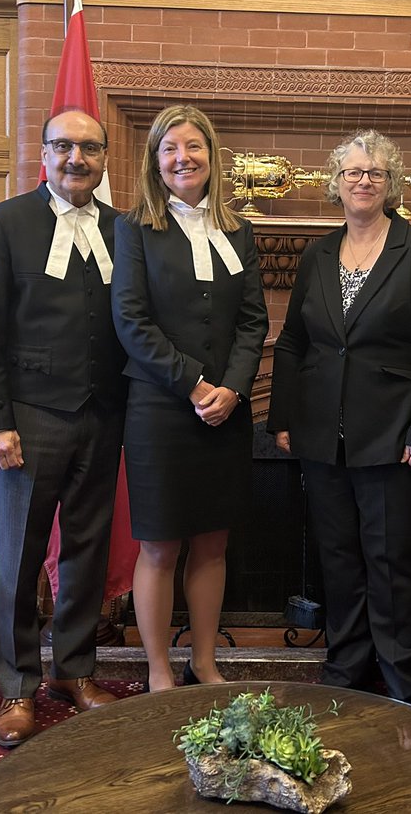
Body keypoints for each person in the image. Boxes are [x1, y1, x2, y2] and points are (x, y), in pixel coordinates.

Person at [267, 129, 411, 706]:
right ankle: (348, 669)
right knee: (339, 559)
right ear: (337, 182)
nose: (363, 181)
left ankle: (405, 680)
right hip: (324, 438)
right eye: (353, 172)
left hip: (397, 437)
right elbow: (293, 341)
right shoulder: (318, 253)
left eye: (375, 173)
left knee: (392, 563)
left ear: (390, 184)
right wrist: (284, 417)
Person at [0, 108, 127, 748]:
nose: (75, 158)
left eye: (89, 148)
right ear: (45, 152)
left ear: (105, 158)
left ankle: (75, 672)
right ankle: (16, 685)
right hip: (27, 420)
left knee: (86, 552)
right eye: (64, 146)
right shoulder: (4, 223)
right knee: (18, 557)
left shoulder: (122, 230)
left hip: (102, 414)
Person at [111, 104, 268, 693]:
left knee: (213, 541)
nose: (184, 158)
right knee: (158, 545)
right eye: (171, 148)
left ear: (212, 155)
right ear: (156, 161)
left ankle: (203, 663)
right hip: (159, 408)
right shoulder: (134, 229)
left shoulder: (238, 229)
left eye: (194, 146)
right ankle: (157, 673)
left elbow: (254, 320)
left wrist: (232, 387)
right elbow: (131, 320)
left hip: (225, 410)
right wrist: (195, 384)